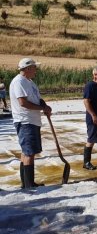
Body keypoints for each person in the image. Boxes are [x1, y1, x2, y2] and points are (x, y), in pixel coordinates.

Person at [9, 58, 52, 188]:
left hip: (32, 121)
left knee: (26, 152)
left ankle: (26, 183)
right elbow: (23, 103)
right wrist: (42, 108)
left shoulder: (30, 82)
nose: (36, 70)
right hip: (25, 121)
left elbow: (37, 99)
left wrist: (44, 105)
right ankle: (29, 185)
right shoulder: (19, 82)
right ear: (27, 69)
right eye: (34, 67)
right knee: (29, 152)